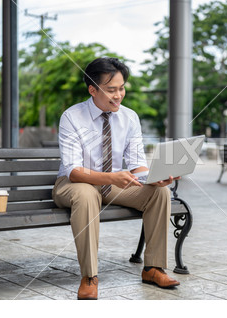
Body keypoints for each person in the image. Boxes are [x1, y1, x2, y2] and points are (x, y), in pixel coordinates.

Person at [52, 57, 180, 300]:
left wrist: (154, 179)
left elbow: (137, 163)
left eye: (122, 88)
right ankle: (89, 276)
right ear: (93, 89)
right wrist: (111, 177)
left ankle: (153, 268)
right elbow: (73, 170)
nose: (118, 95)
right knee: (87, 192)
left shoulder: (130, 117)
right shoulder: (72, 117)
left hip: (111, 185)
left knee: (159, 193)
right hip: (73, 184)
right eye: (111, 90)